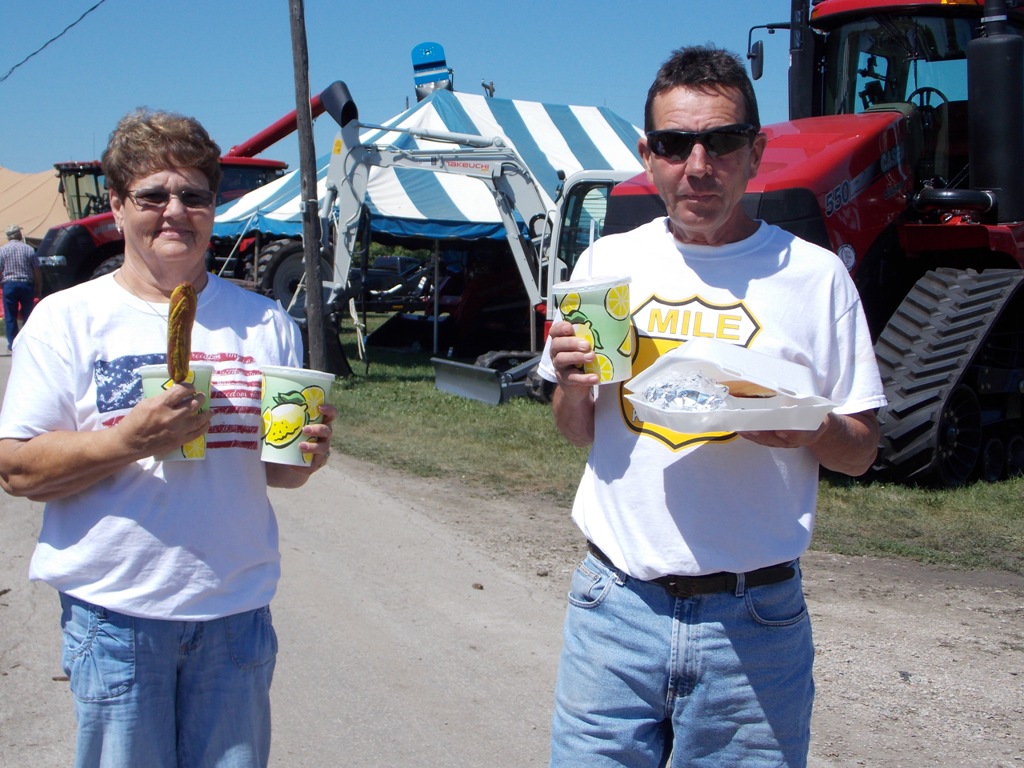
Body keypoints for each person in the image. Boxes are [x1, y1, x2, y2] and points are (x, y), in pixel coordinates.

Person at [538, 46, 887, 767]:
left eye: (721, 141)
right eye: (674, 144)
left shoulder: (815, 277)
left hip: (754, 623)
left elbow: (861, 451)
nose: (698, 166)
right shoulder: (605, 266)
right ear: (648, 156)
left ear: (755, 153)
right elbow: (576, 433)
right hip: (614, 609)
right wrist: (572, 388)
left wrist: (809, 426)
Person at [0, 108, 337, 768]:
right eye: (153, 195)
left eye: (194, 196)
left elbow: (280, 471)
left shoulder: (264, 322)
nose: (175, 211)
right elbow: (16, 469)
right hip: (116, 617)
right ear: (117, 205)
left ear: (214, 207)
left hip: (234, 613)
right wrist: (130, 440)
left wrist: (307, 454)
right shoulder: (66, 320)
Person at [0, 224, 41, 350]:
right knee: (27, 315)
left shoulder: (2, 250)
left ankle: (13, 343)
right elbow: (36, 270)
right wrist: (38, 286)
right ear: (19, 234)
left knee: (10, 316)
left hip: (9, 285)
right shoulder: (28, 249)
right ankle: (27, 341)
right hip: (26, 285)